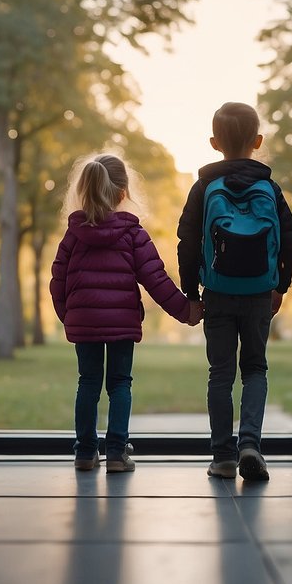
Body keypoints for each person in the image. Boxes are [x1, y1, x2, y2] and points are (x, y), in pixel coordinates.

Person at [51, 153, 203, 474]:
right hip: (121, 324)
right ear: (122, 193)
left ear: (85, 190)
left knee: (87, 383)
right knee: (120, 383)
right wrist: (186, 311)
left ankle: (85, 452)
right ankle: (117, 453)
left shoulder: (73, 236)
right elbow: (157, 280)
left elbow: (58, 281)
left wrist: (70, 316)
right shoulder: (133, 234)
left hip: (85, 324)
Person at [178, 102, 292, 482]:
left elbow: (187, 241)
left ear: (214, 143)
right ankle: (250, 444)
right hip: (260, 294)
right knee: (256, 369)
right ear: (258, 141)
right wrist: (280, 286)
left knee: (220, 374)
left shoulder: (204, 187)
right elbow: (291, 243)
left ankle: (223, 457)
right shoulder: (270, 188)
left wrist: (191, 293)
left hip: (216, 292)